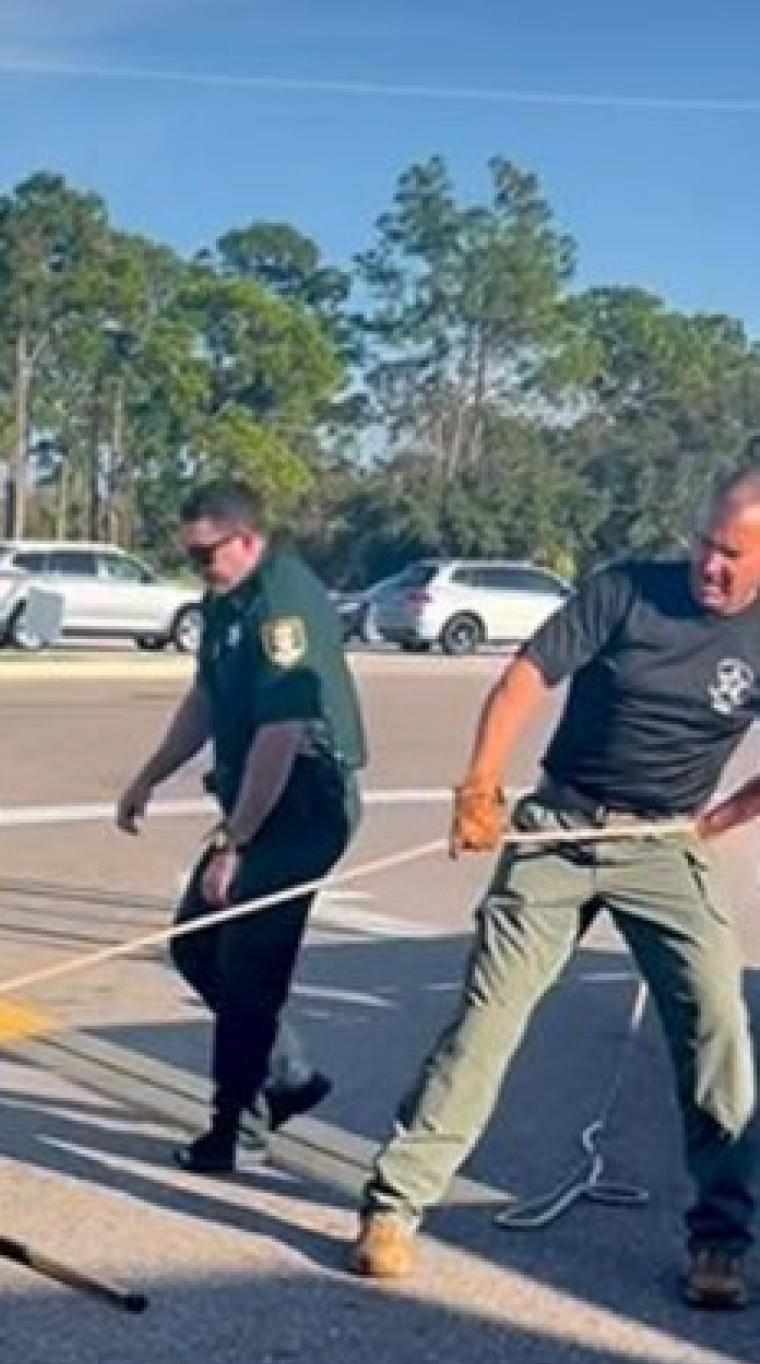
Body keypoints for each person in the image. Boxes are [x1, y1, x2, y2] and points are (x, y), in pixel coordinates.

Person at [352, 467, 760, 1309]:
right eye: (704, 543)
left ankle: (720, 1239)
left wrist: (715, 823)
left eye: (731, 554)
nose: (709, 565)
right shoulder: (623, 593)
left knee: (717, 1021)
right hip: (559, 827)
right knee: (488, 1019)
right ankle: (394, 1206)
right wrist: (480, 786)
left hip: (660, 842)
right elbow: (524, 679)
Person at [114, 480, 368, 1174]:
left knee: (248, 966)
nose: (198, 567)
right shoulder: (225, 599)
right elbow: (207, 696)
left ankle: (237, 1127)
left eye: (206, 554)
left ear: (248, 540)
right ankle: (285, 1075)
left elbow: (282, 733)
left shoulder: (282, 604)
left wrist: (238, 840)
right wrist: (149, 774)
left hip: (304, 801)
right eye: (190, 555)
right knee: (195, 945)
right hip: (258, 796)